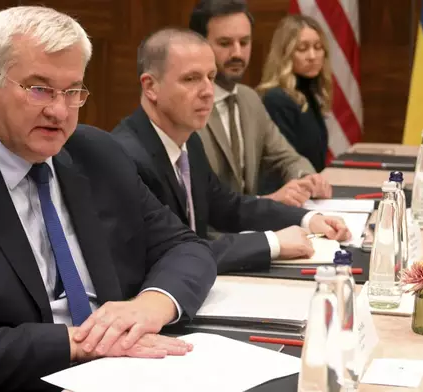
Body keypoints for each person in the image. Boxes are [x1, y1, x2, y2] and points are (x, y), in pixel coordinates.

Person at [0, 6, 216, 392]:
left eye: (73, 91)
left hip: (124, 371)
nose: (59, 111)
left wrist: (149, 306)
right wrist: (80, 344)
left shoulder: (98, 154)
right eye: (39, 88)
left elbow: (185, 247)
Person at [109, 28, 350, 274]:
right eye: (191, 79)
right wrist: (273, 243)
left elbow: (230, 207)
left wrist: (306, 219)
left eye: (211, 77)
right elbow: (173, 251)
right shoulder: (126, 157)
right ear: (150, 87)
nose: (207, 92)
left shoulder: (188, 141)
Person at [188, 0, 333, 206]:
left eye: (244, 42)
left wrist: (306, 178)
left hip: (252, 228)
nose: (237, 53)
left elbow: (287, 158)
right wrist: (266, 201)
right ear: (199, 45)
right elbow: (196, 199)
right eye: (225, 43)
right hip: (211, 234)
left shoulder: (249, 99)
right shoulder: (186, 106)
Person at [257, 15, 332, 173]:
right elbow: (283, 164)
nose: (312, 56)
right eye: (302, 48)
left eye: (318, 47)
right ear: (285, 54)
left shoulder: (308, 94)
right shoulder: (276, 99)